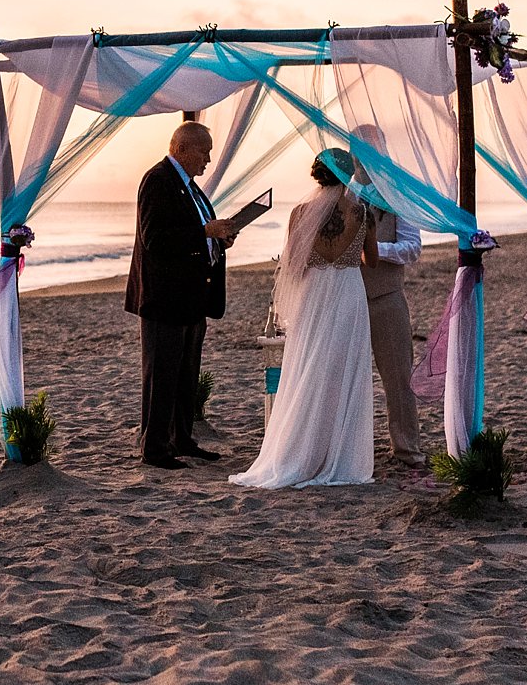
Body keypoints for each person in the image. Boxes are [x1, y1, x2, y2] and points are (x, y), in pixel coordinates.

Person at [231, 148, 376, 489]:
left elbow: (294, 263)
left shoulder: (300, 213)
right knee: (343, 372)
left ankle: (299, 451)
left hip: (314, 296)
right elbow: (374, 261)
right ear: (347, 176)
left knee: (307, 367)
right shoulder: (361, 211)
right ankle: (336, 454)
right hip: (347, 294)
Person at [124, 121, 243, 469]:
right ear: (181, 148)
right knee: (161, 374)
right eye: (204, 152)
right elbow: (155, 239)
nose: (208, 160)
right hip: (165, 298)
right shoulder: (158, 180)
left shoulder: (191, 188)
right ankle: (156, 449)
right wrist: (205, 230)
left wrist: (218, 237)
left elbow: (194, 234)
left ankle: (182, 439)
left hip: (192, 297)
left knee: (186, 374)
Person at [351, 125, 426, 467]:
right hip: (346, 298)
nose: (360, 159)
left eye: (368, 151)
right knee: (345, 378)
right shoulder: (345, 191)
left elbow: (412, 248)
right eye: (356, 151)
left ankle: (407, 448)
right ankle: (349, 449)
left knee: (397, 377)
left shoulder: (399, 195)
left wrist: (372, 250)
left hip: (385, 296)